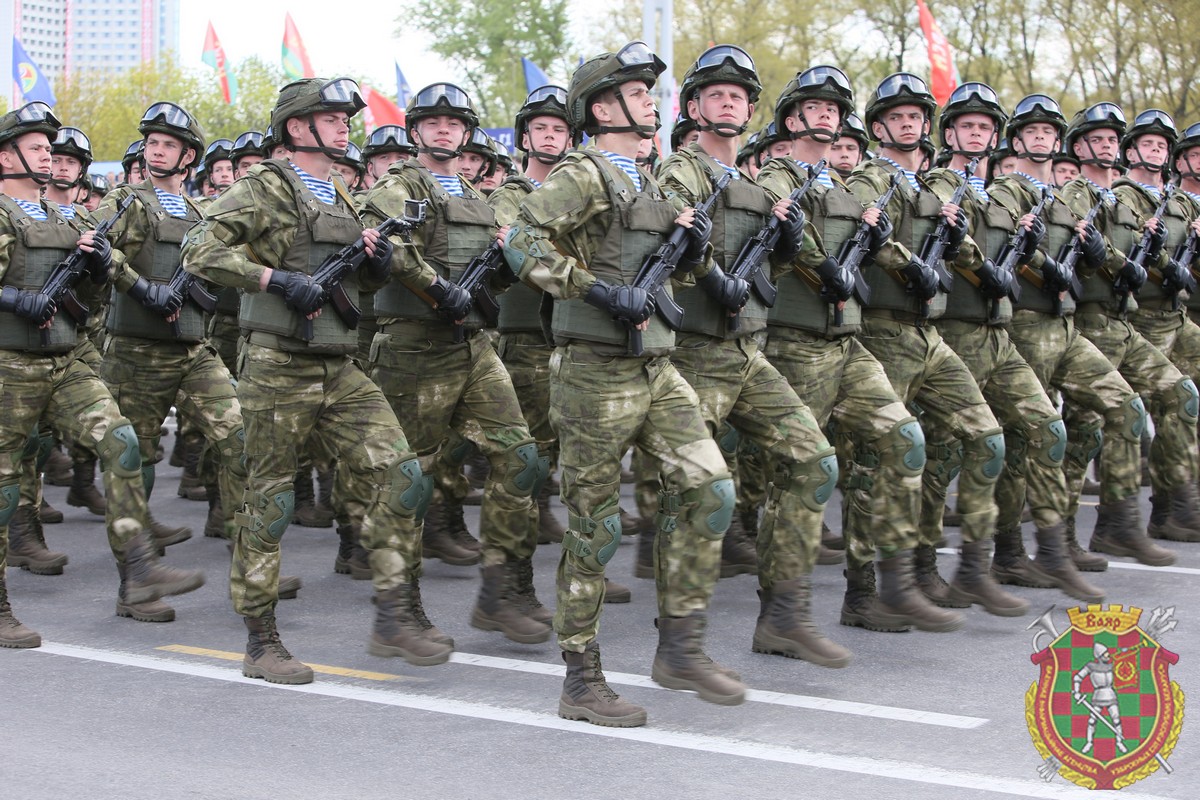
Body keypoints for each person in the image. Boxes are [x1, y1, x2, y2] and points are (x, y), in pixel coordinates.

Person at [501, 41, 745, 727]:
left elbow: (675, 271)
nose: (650, 102)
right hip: (594, 372)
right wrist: (593, 289)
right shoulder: (583, 174)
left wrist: (693, 251)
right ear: (604, 108)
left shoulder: (655, 179)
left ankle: (681, 647)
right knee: (596, 528)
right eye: (637, 93)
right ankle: (581, 679)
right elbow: (520, 239)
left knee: (710, 488)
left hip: (657, 365)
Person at [182, 77, 448, 683]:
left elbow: (360, 286)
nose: (344, 125)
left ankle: (395, 612)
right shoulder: (265, 186)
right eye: (331, 117)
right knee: (270, 499)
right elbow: (198, 248)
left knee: (403, 473)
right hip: (278, 365)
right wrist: (273, 280)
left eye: (345, 117)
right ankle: (261, 640)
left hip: (339, 365)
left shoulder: (343, 194)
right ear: (298, 127)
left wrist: (377, 265)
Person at [657, 46, 850, 664]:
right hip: (695, 352)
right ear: (693, 108)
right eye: (715, 94)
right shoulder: (681, 171)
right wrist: (708, 271)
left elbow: (775, 273)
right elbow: (662, 247)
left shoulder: (751, 183)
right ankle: (679, 640)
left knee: (813, 462)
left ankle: (784, 617)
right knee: (695, 491)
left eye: (738, 96)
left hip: (748, 352)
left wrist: (789, 247)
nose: (728, 103)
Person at [0, 102, 204, 646]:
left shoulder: (66, 218)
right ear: (6, 158)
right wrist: (16, 299)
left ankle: (137, 575)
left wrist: (95, 267)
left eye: (49, 148)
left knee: (122, 442)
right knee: (5, 481)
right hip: (9, 365)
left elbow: (89, 299)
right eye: (36, 147)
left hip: (65, 361)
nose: (48, 155)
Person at [358, 82, 548, 646]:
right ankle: (396, 613)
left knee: (521, 459)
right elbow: (389, 246)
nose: (444, 130)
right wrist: (439, 288)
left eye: (454, 123)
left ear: (467, 134)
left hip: (474, 346)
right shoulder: (398, 185)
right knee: (408, 479)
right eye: (433, 123)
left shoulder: (475, 194)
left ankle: (502, 592)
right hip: (413, 348)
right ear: (416, 131)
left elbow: (500, 257)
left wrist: (510, 263)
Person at [921, 83, 1101, 607]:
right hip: (955, 330)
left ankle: (1033, 553)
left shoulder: (992, 194)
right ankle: (924, 565)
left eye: (985, 127)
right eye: (967, 126)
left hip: (997, 331)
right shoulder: (939, 185)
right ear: (950, 133)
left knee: (1044, 429)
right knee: (942, 454)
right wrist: (984, 266)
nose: (977, 134)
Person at [845, 72, 1005, 631]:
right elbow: (867, 238)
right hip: (883, 332)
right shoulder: (868, 179)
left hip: (929, 334)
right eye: (897, 116)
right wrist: (908, 264)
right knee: (877, 460)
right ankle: (864, 590)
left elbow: (961, 249)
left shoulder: (934, 187)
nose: (908, 124)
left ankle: (945, 565)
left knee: (984, 436)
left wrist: (975, 259)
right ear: (878, 127)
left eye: (916, 116)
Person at [987, 95, 1156, 574]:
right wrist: (1044, 263)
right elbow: (1000, 252)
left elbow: (1084, 262)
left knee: (1122, 408)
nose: (1041, 139)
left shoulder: (1064, 199)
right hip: (1025, 323)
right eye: (1032, 132)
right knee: (1026, 438)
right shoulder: (1006, 193)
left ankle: (1094, 528)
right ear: (1017, 140)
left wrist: (1102, 256)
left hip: (1065, 325)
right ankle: (1009, 551)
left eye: (1048, 132)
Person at [96, 102, 248, 566]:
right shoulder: (125, 201)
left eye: (168, 145)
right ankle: (135, 558)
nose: (156, 151)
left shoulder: (203, 211)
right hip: (136, 351)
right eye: (152, 143)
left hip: (195, 350)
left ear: (188, 157)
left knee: (241, 437)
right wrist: (140, 287)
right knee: (135, 455)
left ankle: (249, 550)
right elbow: (96, 247)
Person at [1058, 102, 1195, 564]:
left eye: (1112, 140)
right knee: (1084, 432)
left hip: (1121, 321)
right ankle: (1062, 538)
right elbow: (1087, 248)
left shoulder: (1119, 200)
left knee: (1177, 394)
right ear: (1079, 147)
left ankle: (1131, 519)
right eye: (1097, 139)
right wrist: (1121, 260)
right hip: (1090, 322)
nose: (1106, 146)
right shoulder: (1076, 193)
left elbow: (1143, 250)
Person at [1114, 109, 1200, 542]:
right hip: (1142, 317)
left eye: (1162, 145)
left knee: (1183, 403)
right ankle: (1170, 508)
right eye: (1147, 144)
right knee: (1169, 403)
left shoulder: (1177, 200)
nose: (1155, 151)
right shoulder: (1121, 196)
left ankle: (1175, 504)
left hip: (1175, 314)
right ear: (1131, 151)